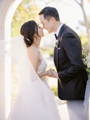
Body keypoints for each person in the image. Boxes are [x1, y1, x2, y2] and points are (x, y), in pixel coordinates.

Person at [39, 6, 89, 120]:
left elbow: (77, 65)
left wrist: (58, 75)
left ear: (52, 20)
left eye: (43, 22)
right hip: (71, 89)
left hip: (75, 90)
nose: (43, 26)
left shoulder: (67, 35)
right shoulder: (61, 34)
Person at [8, 20, 60, 120]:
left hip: (40, 88)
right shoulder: (32, 50)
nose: (41, 27)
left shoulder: (36, 48)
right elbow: (32, 77)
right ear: (34, 32)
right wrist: (47, 73)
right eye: (38, 27)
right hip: (35, 91)